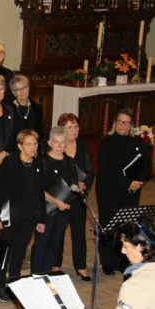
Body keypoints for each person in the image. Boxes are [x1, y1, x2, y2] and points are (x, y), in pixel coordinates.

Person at [0, 130, 46, 301]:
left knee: (20, 252)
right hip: (9, 215)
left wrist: (41, 218)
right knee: (4, 251)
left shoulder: (39, 164)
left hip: (29, 216)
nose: (32, 147)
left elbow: (39, 194)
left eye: (35, 143)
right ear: (19, 146)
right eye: (28, 144)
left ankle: (14, 283)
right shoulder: (8, 163)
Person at [96, 108, 152, 275]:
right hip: (109, 189)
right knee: (109, 225)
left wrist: (138, 182)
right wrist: (128, 183)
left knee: (127, 227)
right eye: (119, 121)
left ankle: (122, 261)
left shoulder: (138, 142)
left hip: (131, 190)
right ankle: (107, 262)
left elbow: (146, 166)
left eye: (126, 122)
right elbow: (107, 169)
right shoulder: (107, 141)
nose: (122, 125)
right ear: (115, 123)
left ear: (131, 125)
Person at [30, 126, 78, 274]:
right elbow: (38, 189)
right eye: (56, 142)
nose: (59, 145)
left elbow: (73, 184)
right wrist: (57, 202)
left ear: (66, 144)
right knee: (42, 243)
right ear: (50, 143)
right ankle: (37, 275)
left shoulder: (69, 162)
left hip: (63, 210)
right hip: (46, 210)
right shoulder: (42, 161)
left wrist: (77, 187)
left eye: (62, 142)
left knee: (55, 243)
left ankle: (47, 273)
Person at [59, 113, 94, 281]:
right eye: (69, 127)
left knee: (79, 232)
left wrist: (84, 183)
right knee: (57, 233)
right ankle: (55, 266)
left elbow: (90, 169)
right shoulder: (57, 145)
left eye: (76, 127)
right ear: (61, 130)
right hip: (61, 197)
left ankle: (81, 266)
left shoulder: (83, 145)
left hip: (78, 196)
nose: (73, 130)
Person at [7, 75, 45, 148]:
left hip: (32, 148)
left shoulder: (36, 108)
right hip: (12, 149)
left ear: (29, 88)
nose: (22, 91)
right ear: (13, 92)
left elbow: (40, 133)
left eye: (25, 87)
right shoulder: (7, 108)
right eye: (18, 89)